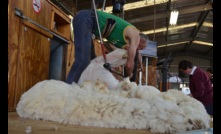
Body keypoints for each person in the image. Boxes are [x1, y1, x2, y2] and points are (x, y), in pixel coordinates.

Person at [66, 9, 149, 84]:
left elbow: (137, 53)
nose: (138, 49)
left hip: (89, 24)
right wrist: (128, 76)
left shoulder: (125, 44)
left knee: (92, 61)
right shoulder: (135, 34)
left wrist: (141, 64)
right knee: (83, 60)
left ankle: (86, 87)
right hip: (87, 18)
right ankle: (69, 88)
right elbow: (129, 64)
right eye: (140, 47)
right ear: (142, 41)